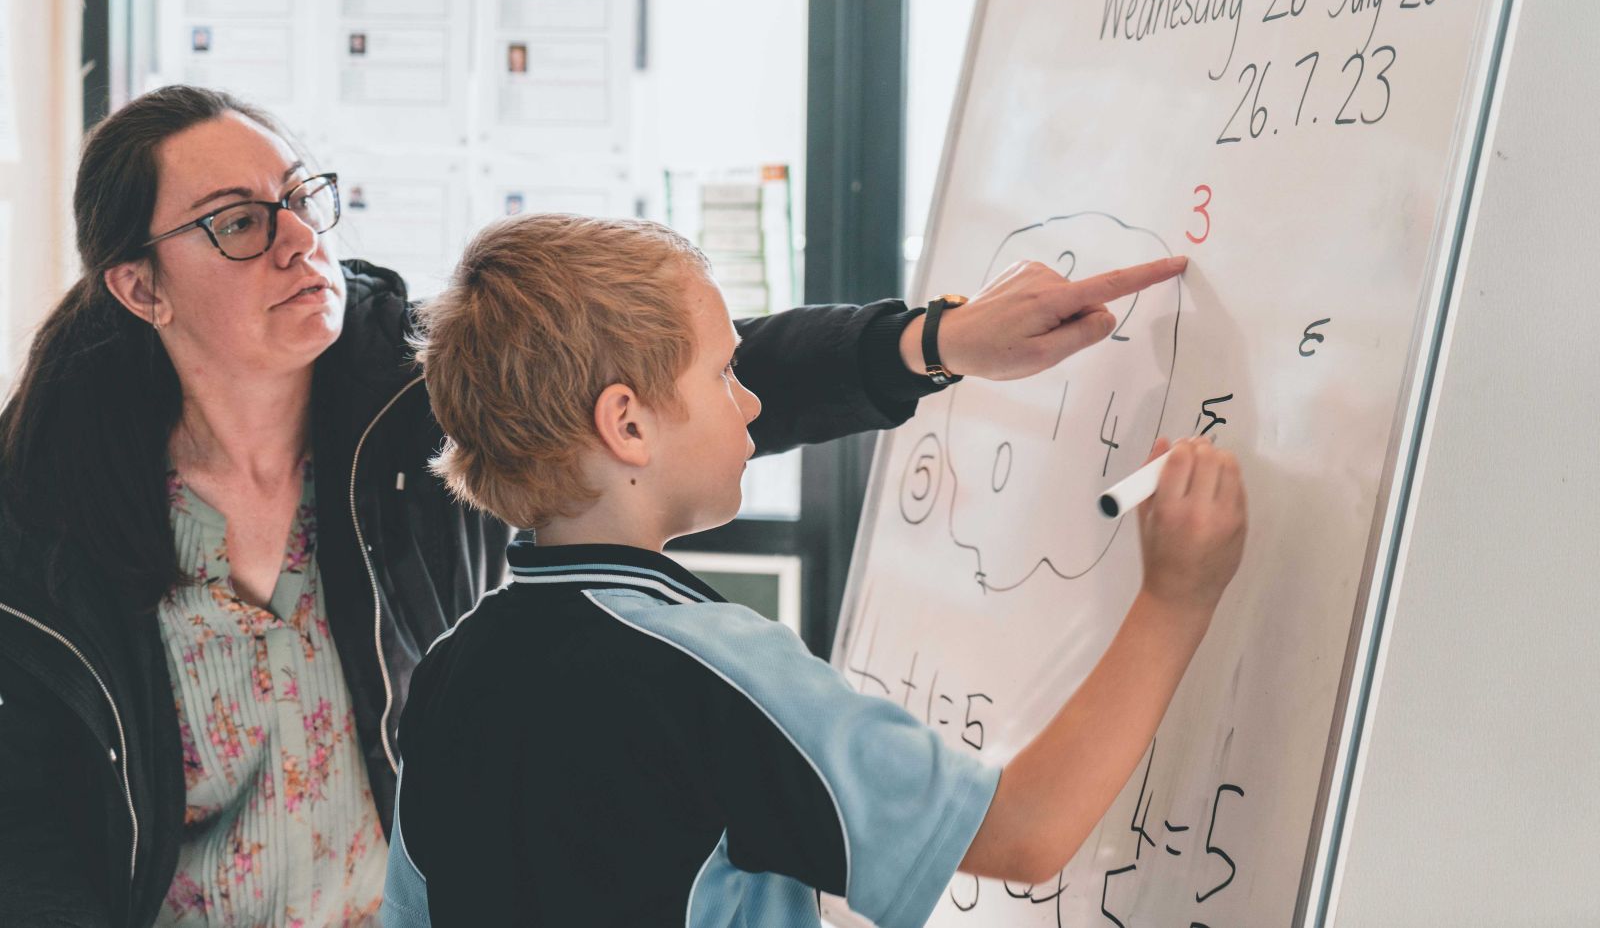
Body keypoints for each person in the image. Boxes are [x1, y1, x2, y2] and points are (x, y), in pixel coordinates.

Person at [0, 84, 1186, 926]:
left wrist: (935, 340)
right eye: (240, 222)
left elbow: (660, 379)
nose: (300, 239)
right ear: (138, 283)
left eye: (299, 196)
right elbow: (37, 825)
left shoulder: (401, 422)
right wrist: (1178, 591)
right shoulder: (49, 518)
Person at [382, 215, 1246, 926]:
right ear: (628, 425)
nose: (753, 400)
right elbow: (1024, 833)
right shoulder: (715, 674)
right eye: (725, 373)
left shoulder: (451, 670)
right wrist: (1176, 596)